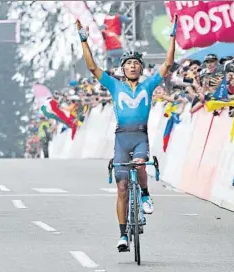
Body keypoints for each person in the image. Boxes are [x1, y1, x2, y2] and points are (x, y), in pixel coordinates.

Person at [77, 14, 178, 251]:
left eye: (136, 63)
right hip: (121, 138)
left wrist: (173, 35)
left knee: (141, 164)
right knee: (121, 188)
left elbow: (168, 63)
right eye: (128, 64)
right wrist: (83, 39)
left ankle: (144, 194)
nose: (133, 66)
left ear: (141, 68)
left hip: (140, 136)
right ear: (122, 69)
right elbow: (92, 67)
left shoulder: (149, 85)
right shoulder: (114, 85)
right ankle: (123, 235)